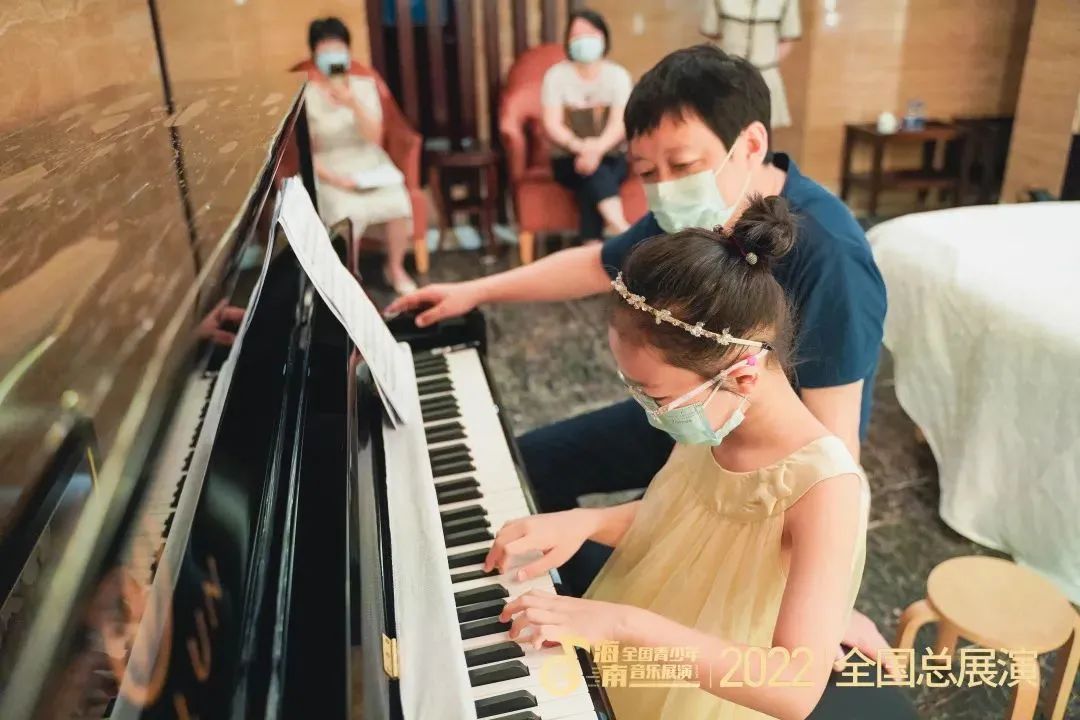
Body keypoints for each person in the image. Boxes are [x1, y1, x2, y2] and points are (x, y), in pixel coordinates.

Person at [387, 46, 888, 654]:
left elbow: (837, 445)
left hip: (762, 450)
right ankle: (587, 601)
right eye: (647, 172)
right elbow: (597, 264)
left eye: (683, 164)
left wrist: (829, 591)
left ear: (751, 144)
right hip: (686, 409)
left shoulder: (832, 258)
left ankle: (615, 623)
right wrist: (475, 291)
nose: (666, 189)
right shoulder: (701, 214)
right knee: (531, 465)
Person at [485, 198, 870, 719]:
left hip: (700, 690)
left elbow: (794, 687)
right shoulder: (716, 414)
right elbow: (689, 524)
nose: (649, 409)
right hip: (634, 624)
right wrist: (589, 520)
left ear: (742, 376)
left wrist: (622, 625)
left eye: (656, 395)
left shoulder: (825, 488)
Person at [302, 17, 417, 294]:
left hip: (368, 161)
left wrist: (352, 102)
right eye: (326, 49)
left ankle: (395, 268)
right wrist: (337, 180)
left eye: (338, 48)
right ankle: (347, 278)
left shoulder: (365, 86)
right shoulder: (306, 94)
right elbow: (306, 152)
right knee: (347, 211)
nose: (333, 55)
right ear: (314, 55)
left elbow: (375, 137)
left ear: (348, 52)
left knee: (398, 200)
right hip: (329, 167)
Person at [541, 9, 633, 243]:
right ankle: (621, 229)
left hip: (612, 156)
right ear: (568, 40)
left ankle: (592, 245)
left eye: (589, 34)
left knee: (591, 175)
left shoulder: (618, 76)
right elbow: (552, 124)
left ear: (603, 37)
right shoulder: (556, 76)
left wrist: (595, 150)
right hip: (567, 158)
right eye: (576, 35)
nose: (583, 40)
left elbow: (619, 124)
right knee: (592, 170)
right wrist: (582, 148)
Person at [700, 0, 802, 129]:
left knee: (761, 131)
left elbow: (787, 38)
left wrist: (767, 60)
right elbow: (712, 35)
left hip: (765, 75)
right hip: (727, 76)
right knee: (724, 128)